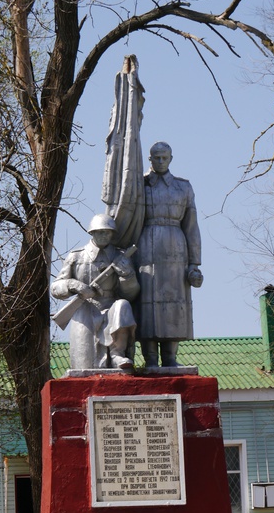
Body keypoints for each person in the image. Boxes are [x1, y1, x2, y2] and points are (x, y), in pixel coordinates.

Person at [135, 142, 203, 367]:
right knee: (146, 305)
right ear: (149, 159)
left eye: (164, 157)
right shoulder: (139, 185)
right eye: (156, 158)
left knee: (174, 303)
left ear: (171, 159)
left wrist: (194, 263)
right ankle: (150, 359)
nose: (160, 161)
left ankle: (171, 358)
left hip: (176, 248)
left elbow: (192, 226)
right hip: (145, 246)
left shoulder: (183, 188)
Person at [51, 214, 140, 370]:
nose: (104, 235)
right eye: (99, 231)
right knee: (84, 365)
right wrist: (73, 285)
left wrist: (127, 276)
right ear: (91, 232)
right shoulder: (76, 256)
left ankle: (117, 355)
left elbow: (131, 294)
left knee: (123, 306)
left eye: (108, 232)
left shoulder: (121, 257)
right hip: (86, 308)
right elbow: (55, 288)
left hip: (111, 307)